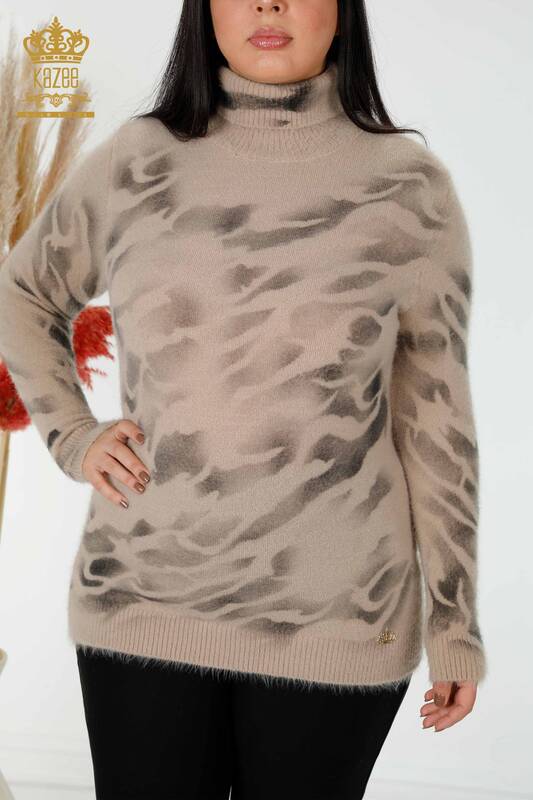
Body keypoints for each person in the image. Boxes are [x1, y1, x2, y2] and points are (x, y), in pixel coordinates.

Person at [0, 0, 487, 797]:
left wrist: (454, 623)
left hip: (341, 613)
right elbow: (22, 293)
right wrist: (73, 435)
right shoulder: (137, 161)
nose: (267, 4)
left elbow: (436, 420)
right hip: (143, 598)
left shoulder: (407, 189)